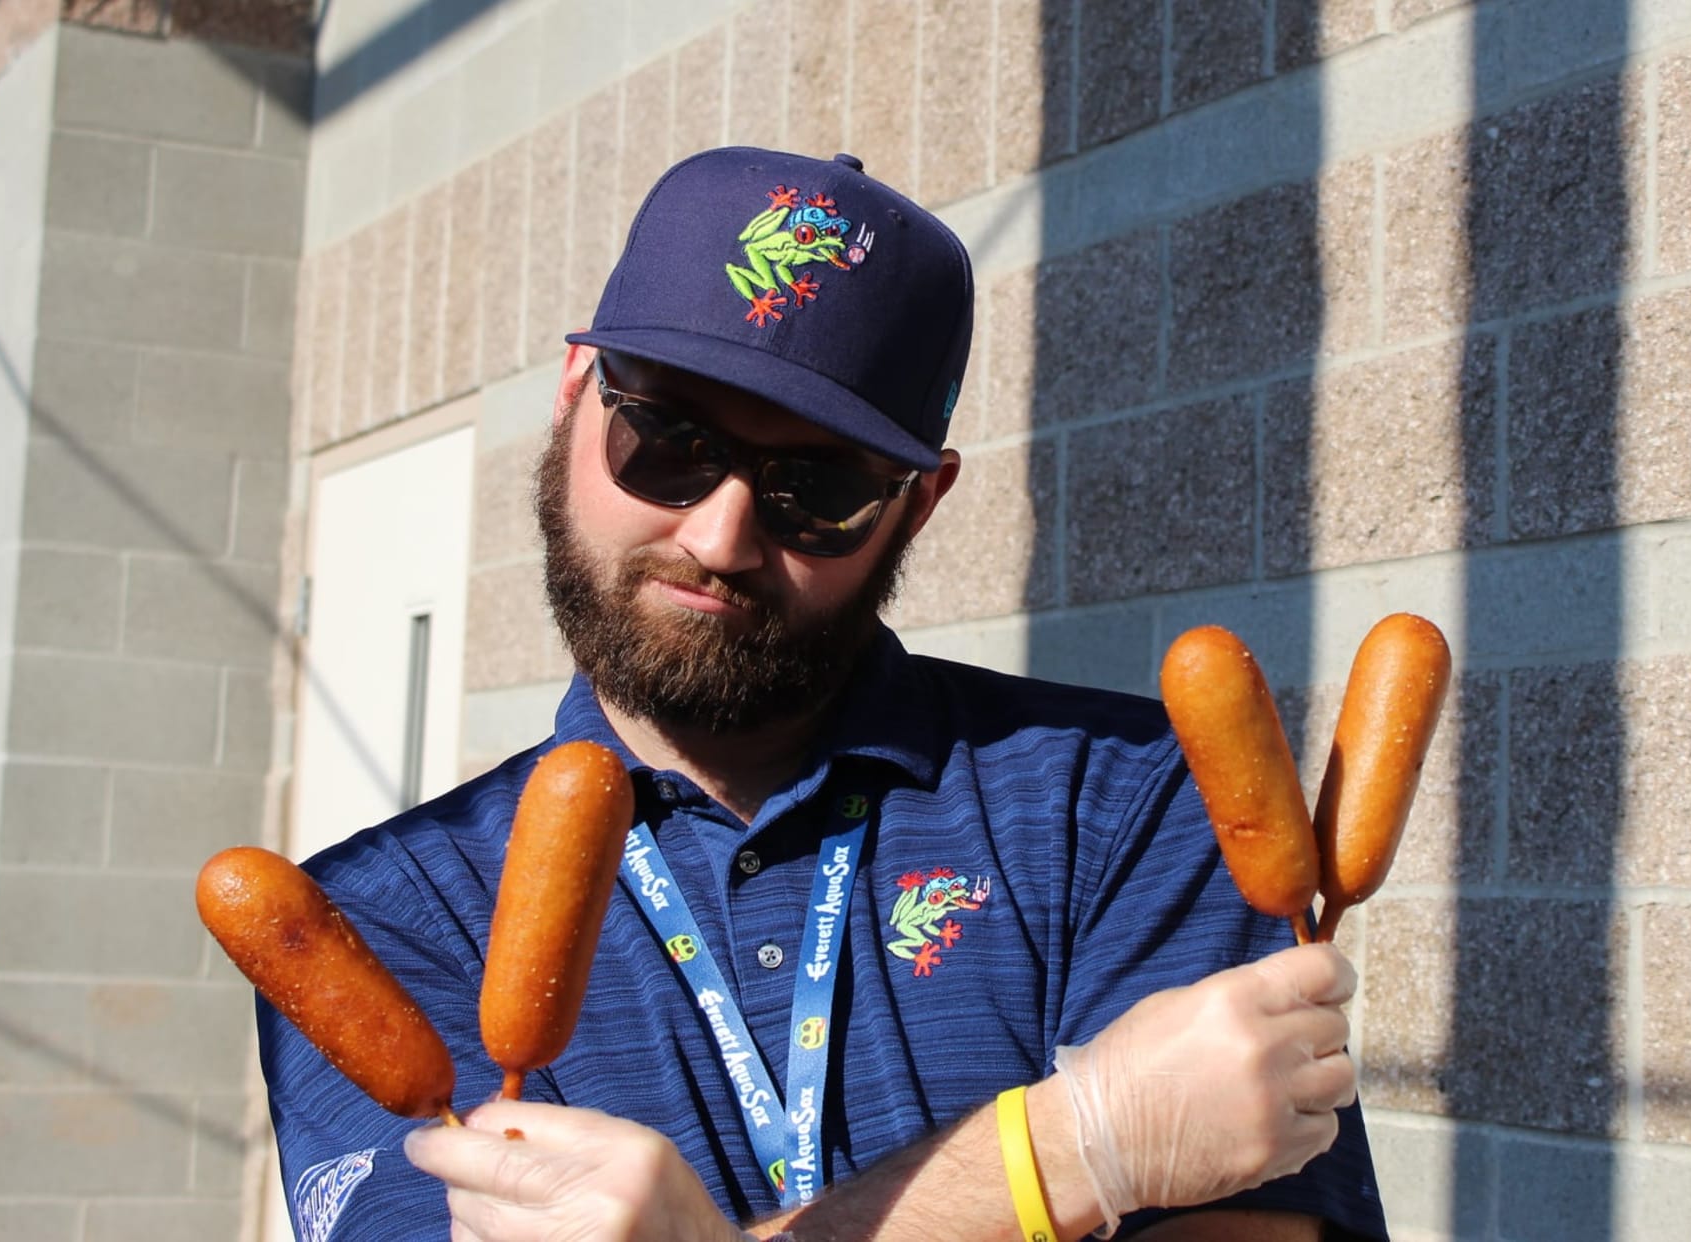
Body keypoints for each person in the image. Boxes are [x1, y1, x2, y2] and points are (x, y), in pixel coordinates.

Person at [259, 147, 1389, 1242]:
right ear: (573, 397)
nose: (720, 536)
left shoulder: (1128, 805)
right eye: (667, 442)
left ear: (920, 504)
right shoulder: (374, 923)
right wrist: (1064, 1154)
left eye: (821, 491)